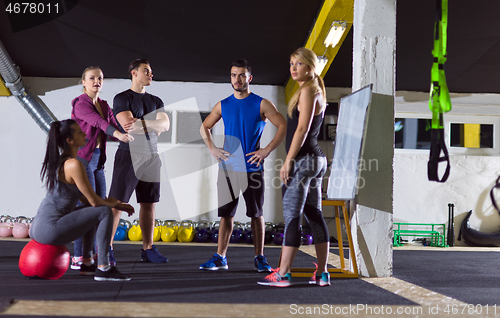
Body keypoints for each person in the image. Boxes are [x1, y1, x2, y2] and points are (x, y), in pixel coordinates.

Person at [199, 59, 286, 272]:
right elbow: (205, 127)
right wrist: (213, 149)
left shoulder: (262, 103)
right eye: (233, 75)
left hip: (252, 169)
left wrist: (266, 150)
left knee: (256, 214)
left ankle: (260, 257)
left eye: (241, 75)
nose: (237, 79)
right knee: (226, 215)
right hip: (228, 169)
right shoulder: (223, 104)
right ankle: (220, 257)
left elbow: (282, 124)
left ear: (250, 78)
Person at [258, 47, 330, 287]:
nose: (293, 68)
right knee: (314, 214)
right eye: (291, 64)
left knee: (292, 218)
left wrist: (288, 160)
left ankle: (284, 273)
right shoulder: (313, 89)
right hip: (315, 161)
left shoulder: (309, 90)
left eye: (298, 64)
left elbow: (302, 129)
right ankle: (322, 273)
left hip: (304, 161)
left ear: (310, 67)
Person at [29, 119, 134, 281]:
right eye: (79, 132)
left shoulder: (63, 161)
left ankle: (87, 263)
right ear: (69, 140)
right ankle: (104, 267)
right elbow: (95, 202)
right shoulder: (73, 164)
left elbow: (86, 200)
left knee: (93, 212)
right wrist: (114, 204)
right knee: (104, 211)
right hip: (49, 229)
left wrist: (116, 203)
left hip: (39, 227)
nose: (85, 133)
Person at [70, 66, 133, 270]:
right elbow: (97, 122)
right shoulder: (80, 104)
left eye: (100, 78)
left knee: (102, 208)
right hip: (83, 159)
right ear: (84, 82)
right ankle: (79, 256)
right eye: (92, 78)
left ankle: (95, 254)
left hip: (97, 160)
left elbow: (117, 124)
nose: (97, 81)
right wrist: (118, 135)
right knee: (86, 208)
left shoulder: (104, 105)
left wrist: (141, 129)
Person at [108, 59, 170, 263]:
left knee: (149, 203)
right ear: (134, 73)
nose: (151, 74)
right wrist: (154, 124)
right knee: (117, 204)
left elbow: (165, 126)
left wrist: (144, 123)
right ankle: (106, 248)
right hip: (129, 155)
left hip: (152, 156)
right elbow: (128, 125)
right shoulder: (121, 98)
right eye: (146, 71)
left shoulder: (156, 100)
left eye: (151, 71)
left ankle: (148, 249)